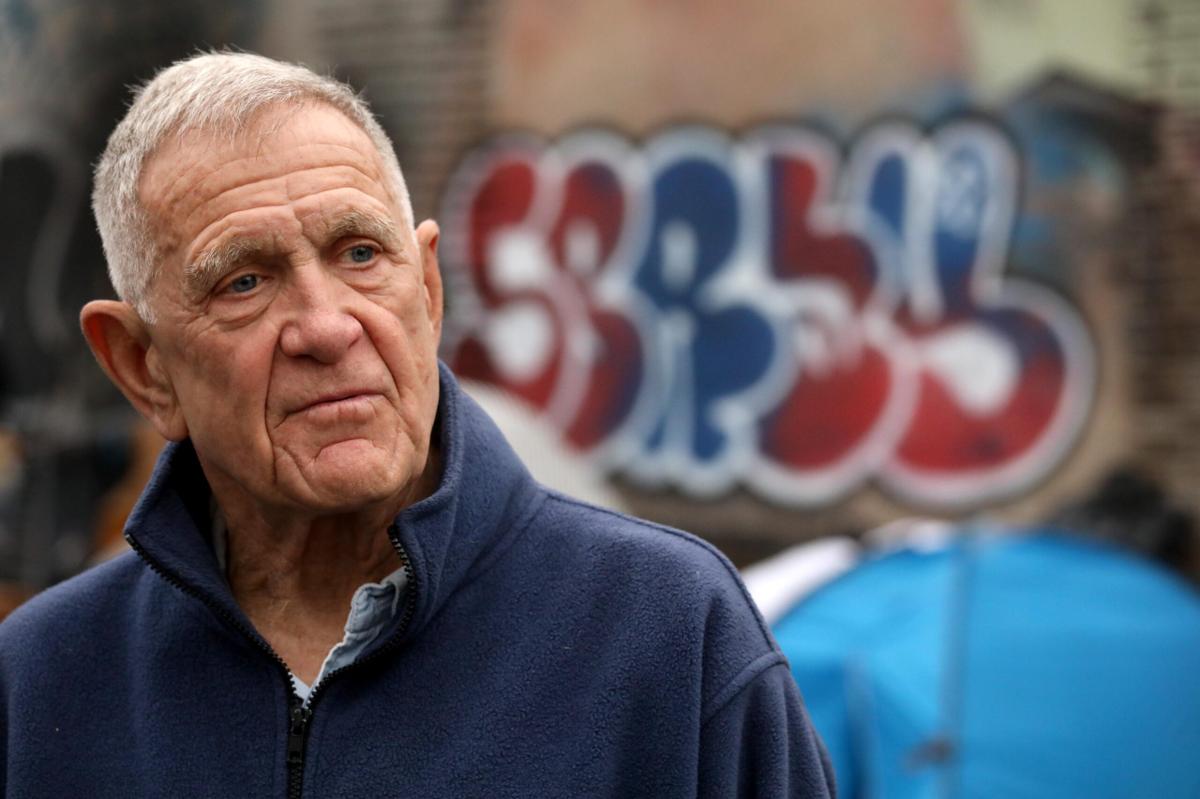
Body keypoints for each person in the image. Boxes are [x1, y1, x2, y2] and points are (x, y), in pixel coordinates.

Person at [0, 52, 834, 797]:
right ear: (143, 365)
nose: (327, 327)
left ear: (429, 291)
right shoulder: (45, 678)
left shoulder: (669, 631)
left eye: (360, 253)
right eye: (244, 281)